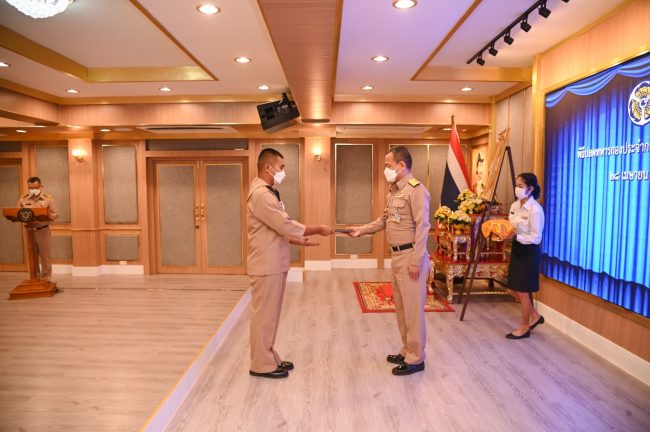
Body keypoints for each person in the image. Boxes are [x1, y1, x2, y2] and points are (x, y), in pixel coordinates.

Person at [247, 148, 333, 379]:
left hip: (273, 262)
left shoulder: (269, 191)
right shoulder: (262, 194)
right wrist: (317, 229)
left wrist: (297, 240)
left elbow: (273, 227)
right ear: (268, 167)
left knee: (270, 316)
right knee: (264, 316)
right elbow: (284, 224)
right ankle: (260, 365)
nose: (283, 171)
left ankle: (268, 356)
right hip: (266, 264)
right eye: (281, 167)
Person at [347, 146, 430, 376]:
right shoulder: (394, 191)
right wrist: (361, 230)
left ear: (402, 165)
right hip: (397, 257)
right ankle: (407, 350)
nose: (386, 169)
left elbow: (423, 227)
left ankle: (416, 358)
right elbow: (384, 220)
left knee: (413, 311)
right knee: (402, 309)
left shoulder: (416, 190)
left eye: (388, 165)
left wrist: (416, 261)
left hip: (411, 256)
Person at [504, 172, 545, 339]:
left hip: (529, 253)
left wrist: (516, 237)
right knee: (511, 289)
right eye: (516, 185)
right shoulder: (515, 206)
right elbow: (510, 226)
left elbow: (536, 237)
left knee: (523, 292)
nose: (517, 189)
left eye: (520, 186)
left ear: (530, 189)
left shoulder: (535, 210)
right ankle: (535, 316)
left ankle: (524, 327)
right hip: (517, 250)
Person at [18, 176, 59, 282]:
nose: (33, 190)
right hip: (29, 231)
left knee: (45, 257)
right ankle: (35, 278)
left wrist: (45, 216)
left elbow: (55, 214)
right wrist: (27, 220)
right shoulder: (23, 199)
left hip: (43, 230)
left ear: (41, 186)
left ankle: (46, 279)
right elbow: (18, 214)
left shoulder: (48, 199)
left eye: (35, 187)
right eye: (31, 188)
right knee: (32, 256)